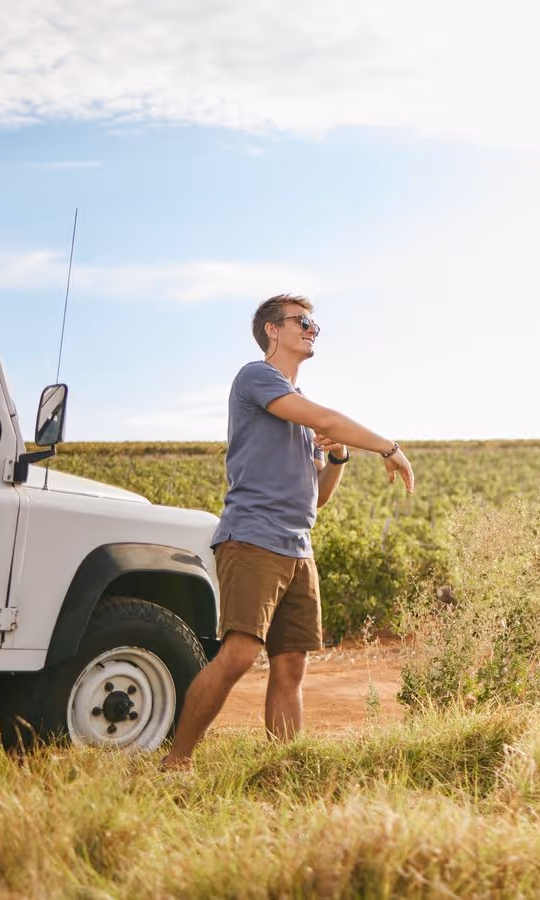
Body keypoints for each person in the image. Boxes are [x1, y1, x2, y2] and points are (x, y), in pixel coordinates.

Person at [161, 294, 414, 770]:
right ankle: (177, 762)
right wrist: (388, 447)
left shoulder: (298, 413)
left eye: (315, 324)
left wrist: (338, 455)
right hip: (253, 537)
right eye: (303, 321)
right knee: (240, 654)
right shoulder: (257, 378)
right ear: (272, 330)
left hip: (298, 547)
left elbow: (318, 496)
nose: (312, 329)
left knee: (292, 664)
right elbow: (326, 418)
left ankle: (284, 769)